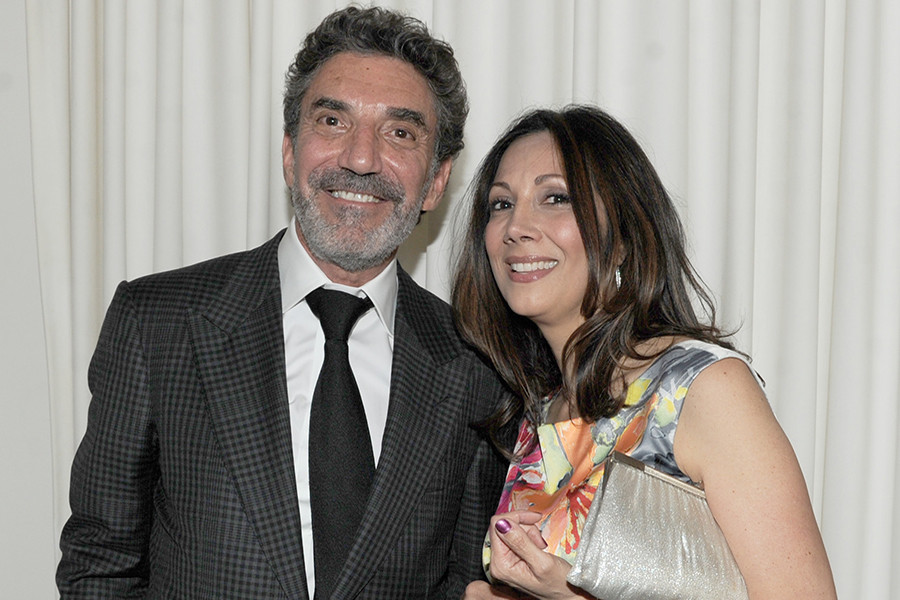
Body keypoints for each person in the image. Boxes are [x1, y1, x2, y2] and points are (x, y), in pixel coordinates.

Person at [57, 6, 508, 599]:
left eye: (400, 132)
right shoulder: (157, 323)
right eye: (332, 121)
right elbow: (99, 563)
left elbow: (469, 582)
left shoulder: (476, 362)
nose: (361, 158)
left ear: (436, 180)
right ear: (291, 152)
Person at [452, 105, 837, 599]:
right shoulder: (537, 415)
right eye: (501, 204)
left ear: (624, 240)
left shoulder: (701, 389)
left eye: (555, 198)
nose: (516, 227)